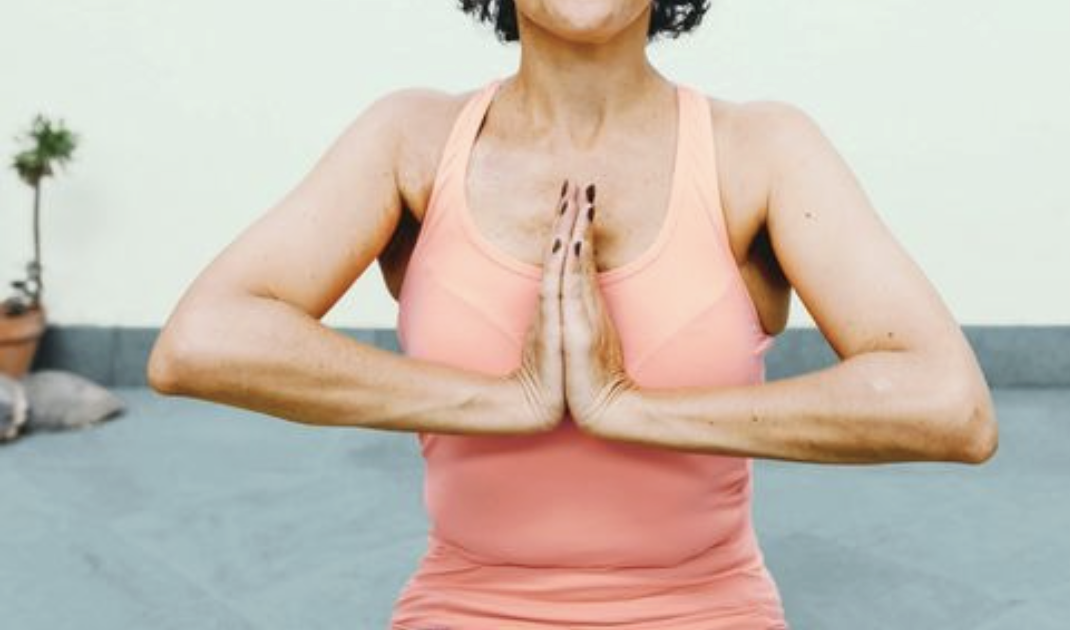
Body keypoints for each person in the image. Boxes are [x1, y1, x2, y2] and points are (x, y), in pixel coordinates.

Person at [148, 0, 999, 628]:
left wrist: (627, 407)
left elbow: (949, 407)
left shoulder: (762, 151)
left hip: (704, 606)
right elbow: (201, 341)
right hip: (465, 602)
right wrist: (505, 400)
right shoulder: (411, 139)